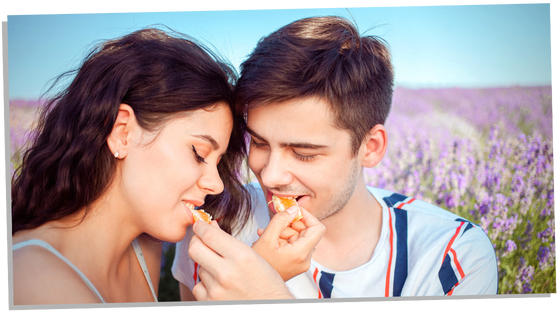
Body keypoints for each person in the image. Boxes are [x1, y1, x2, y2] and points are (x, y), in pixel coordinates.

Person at [175, 16, 499, 300]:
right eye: (259, 143)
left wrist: (266, 291)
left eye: (303, 154)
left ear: (370, 147)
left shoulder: (453, 258)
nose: (270, 175)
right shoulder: (217, 224)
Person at [11, 26, 312, 304]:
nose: (217, 184)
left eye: (218, 163)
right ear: (122, 132)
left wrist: (259, 275)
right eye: (198, 153)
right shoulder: (34, 283)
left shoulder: (145, 246)